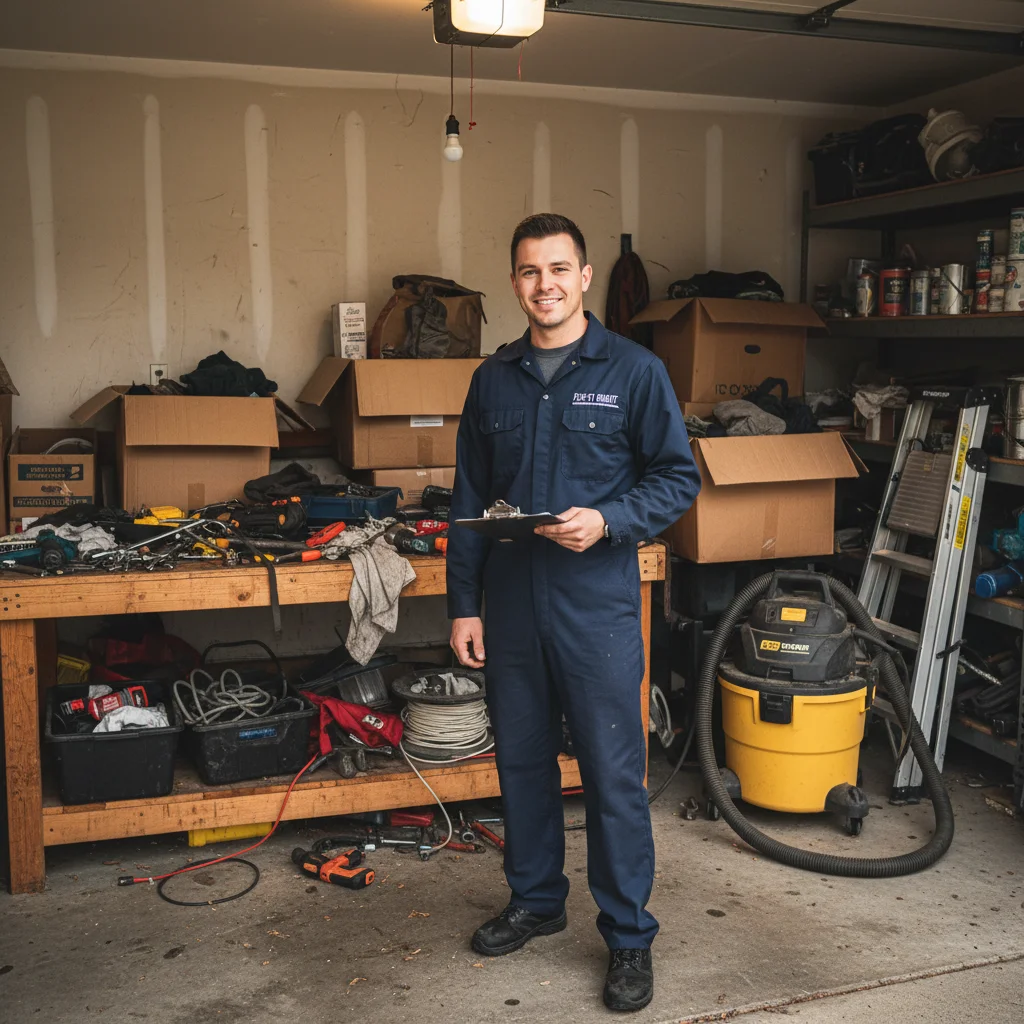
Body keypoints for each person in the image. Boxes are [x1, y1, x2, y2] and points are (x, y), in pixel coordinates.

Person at [446, 213, 701, 1013]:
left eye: (559, 269)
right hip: (512, 605)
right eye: (529, 271)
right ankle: (536, 901)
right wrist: (463, 606)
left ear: (585, 277)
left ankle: (628, 936)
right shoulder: (493, 380)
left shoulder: (634, 371)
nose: (545, 284)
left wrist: (610, 520)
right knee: (521, 764)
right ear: (514, 283)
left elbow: (676, 477)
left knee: (612, 773)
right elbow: (468, 499)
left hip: (596, 608)